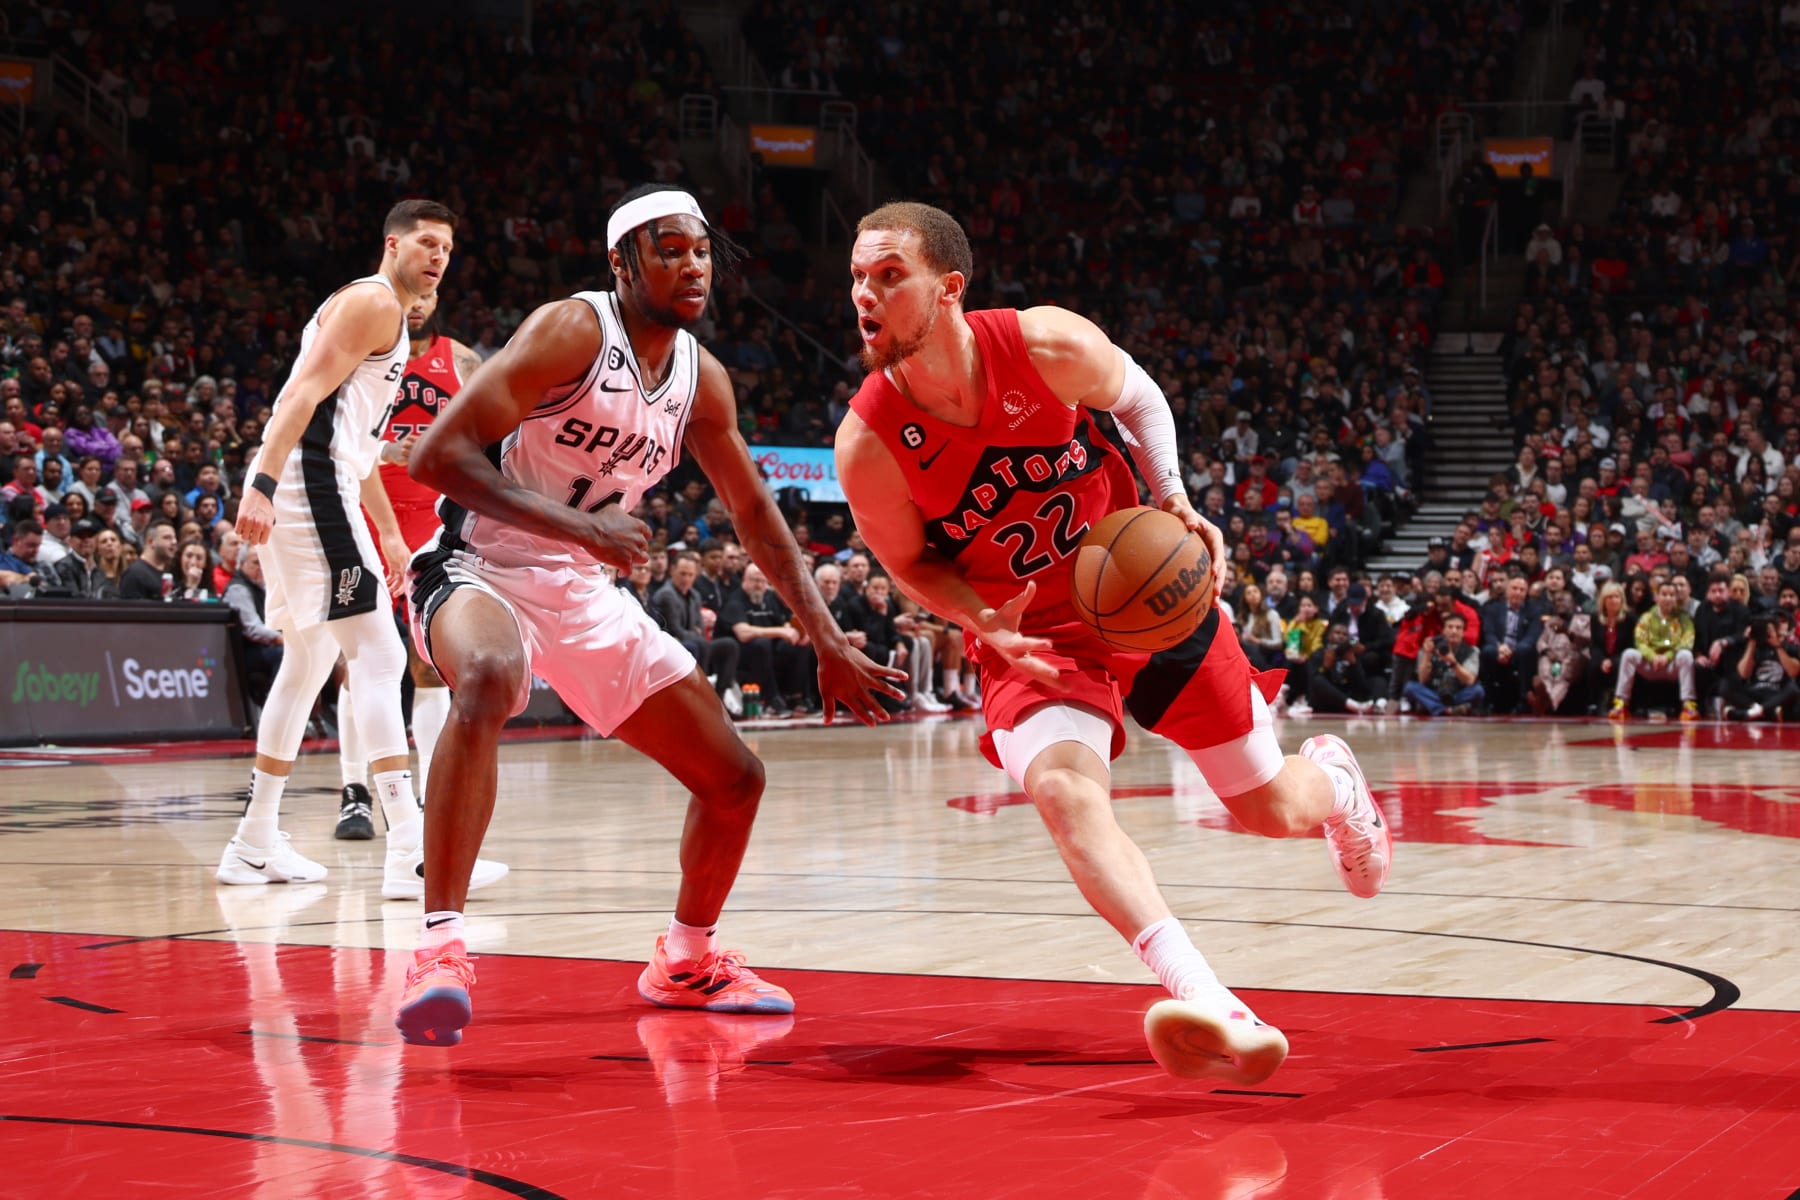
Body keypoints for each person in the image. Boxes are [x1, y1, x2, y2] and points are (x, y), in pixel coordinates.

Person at [834, 201, 1389, 1085]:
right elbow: (909, 565)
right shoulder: (867, 442)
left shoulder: (1045, 345)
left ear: (948, 289)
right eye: (858, 277)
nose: (865, 293)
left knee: (1271, 809)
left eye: (888, 274)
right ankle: (1211, 1001)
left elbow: (1139, 397)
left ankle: (1337, 779)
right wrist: (979, 622)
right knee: (1064, 793)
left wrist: (1172, 497)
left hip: (1141, 587)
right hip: (1036, 636)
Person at [397, 185, 906, 1047]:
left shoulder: (701, 380)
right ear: (621, 263)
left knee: (735, 779)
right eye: (669, 249)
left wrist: (825, 638)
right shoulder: (572, 331)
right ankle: (440, 949)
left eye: (702, 250)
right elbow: (434, 455)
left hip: (584, 589)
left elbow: (755, 516)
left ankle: (685, 958)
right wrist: (581, 526)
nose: (693, 264)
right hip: (478, 563)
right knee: (487, 678)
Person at [219, 199, 504, 900]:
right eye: (427, 243)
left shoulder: (393, 328)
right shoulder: (374, 303)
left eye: (447, 247)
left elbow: (366, 454)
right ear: (392, 245)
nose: (438, 257)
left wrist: (388, 536)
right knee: (378, 656)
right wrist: (258, 482)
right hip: (306, 485)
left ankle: (253, 842)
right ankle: (410, 846)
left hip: (327, 484)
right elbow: (300, 394)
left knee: (310, 659)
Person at [334, 288, 482, 841]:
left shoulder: (462, 360)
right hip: (364, 515)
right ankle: (355, 792)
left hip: (433, 522)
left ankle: (424, 791)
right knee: (358, 661)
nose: (418, 303)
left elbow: (491, 435)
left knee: (429, 663)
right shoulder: (361, 353)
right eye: (409, 295)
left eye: (429, 294)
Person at [654, 551, 741, 701]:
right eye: (682, 574)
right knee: (701, 643)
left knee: (729, 645)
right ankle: (702, 697)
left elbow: (699, 628)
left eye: (690, 575)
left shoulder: (695, 595)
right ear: (672, 571)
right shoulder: (666, 595)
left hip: (696, 643)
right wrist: (695, 633)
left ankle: (719, 697)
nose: (686, 579)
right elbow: (676, 630)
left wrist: (696, 633)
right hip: (673, 646)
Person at [1609, 579, 1700, 720]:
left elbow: (1687, 642)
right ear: (1656, 597)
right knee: (1629, 654)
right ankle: (1621, 703)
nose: (1668, 598)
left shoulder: (1684, 618)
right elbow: (1639, 641)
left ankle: (1688, 704)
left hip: (1672, 665)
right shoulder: (1647, 617)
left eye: (1671, 595)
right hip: (1650, 664)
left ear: (1676, 598)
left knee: (1686, 655)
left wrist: (1668, 656)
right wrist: (1652, 656)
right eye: (1664, 594)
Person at [1404, 613, 1484, 715]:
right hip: (1434, 691)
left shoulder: (1472, 651)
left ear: (1464, 632)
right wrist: (1427, 654)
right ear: (1443, 630)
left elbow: (1470, 680)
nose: (1454, 631)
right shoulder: (1429, 648)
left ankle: (1434, 707)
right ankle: (1446, 710)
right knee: (1410, 687)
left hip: (1457, 693)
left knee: (1477, 690)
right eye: (1450, 627)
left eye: (1458, 628)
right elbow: (1422, 679)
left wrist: (1453, 663)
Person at [119, 517, 178, 599]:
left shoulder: (167, 574)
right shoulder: (135, 574)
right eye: (167, 537)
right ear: (150, 541)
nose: (174, 542)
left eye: (175, 538)